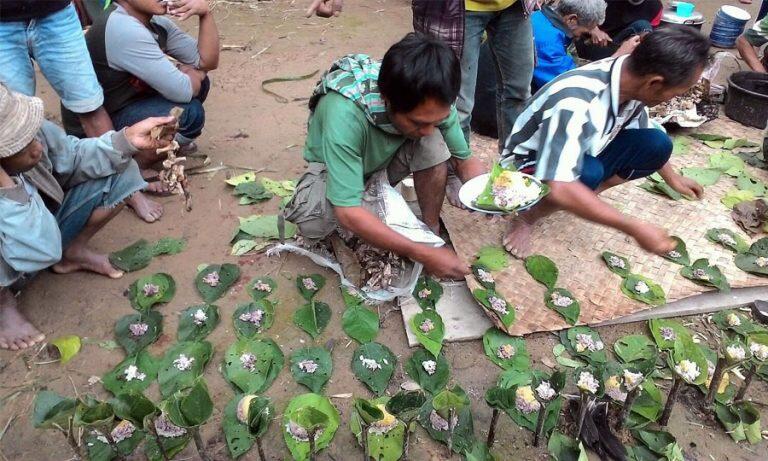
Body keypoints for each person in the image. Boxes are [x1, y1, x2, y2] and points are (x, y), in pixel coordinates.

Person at [284, 33, 486, 280]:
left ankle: (430, 228)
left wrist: (488, 194)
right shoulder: (344, 113)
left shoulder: (433, 95)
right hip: (336, 172)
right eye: (418, 122)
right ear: (385, 100)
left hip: (382, 163)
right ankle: (391, 225)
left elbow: (464, 160)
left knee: (434, 143)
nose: (428, 129)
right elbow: (347, 211)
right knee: (313, 223)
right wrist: (420, 252)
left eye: (438, 120)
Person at [501, 28, 709, 259]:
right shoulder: (576, 101)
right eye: (677, 92)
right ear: (654, 83)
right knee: (587, 173)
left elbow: (640, 129)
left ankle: (583, 198)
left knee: (657, 144)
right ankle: (527, 218)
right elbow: (559, 184)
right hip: (527, 165)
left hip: (585, 148)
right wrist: (633, 227)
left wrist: (673, 179)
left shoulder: (631, 80)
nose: (674, 98)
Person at [0, 83, 174, 350]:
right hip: (26, 251)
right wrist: (9, 190)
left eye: (30, 134)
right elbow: (39, 250)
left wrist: (126, 139)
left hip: (42, 237)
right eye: (21, 145)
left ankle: (72, 251)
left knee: (121, 165)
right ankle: (3, 301)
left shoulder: (35, 137)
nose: (37, 147)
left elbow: (73, 156)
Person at [62, 0, 219, 196]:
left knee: (200, 87)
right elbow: (184, 90)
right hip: (94, 131)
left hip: (125, 105)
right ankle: (135, 167)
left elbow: (207, 61)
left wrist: (206, 14)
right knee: (189, 113)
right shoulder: (123, 28)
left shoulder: (154, 23)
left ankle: (153, 147)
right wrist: (191, 73)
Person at [457, 0, 538, 151]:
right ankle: (455, 167)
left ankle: (513, 164)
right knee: (459, 103)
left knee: (519, 93)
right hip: (461, 6)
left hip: (514, 6)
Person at [531, 0, 607, 91]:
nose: (580, 37)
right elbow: (569, 84)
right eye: (584, 33)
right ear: (572, 20)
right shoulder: (550, 45)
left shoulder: (540, 16)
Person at [575, 0, 661, 61]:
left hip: (623, 46)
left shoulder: (656, 6)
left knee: (644, 27)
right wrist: (593, 28)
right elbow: (574, 11)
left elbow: (650, 35)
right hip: (597, 44)